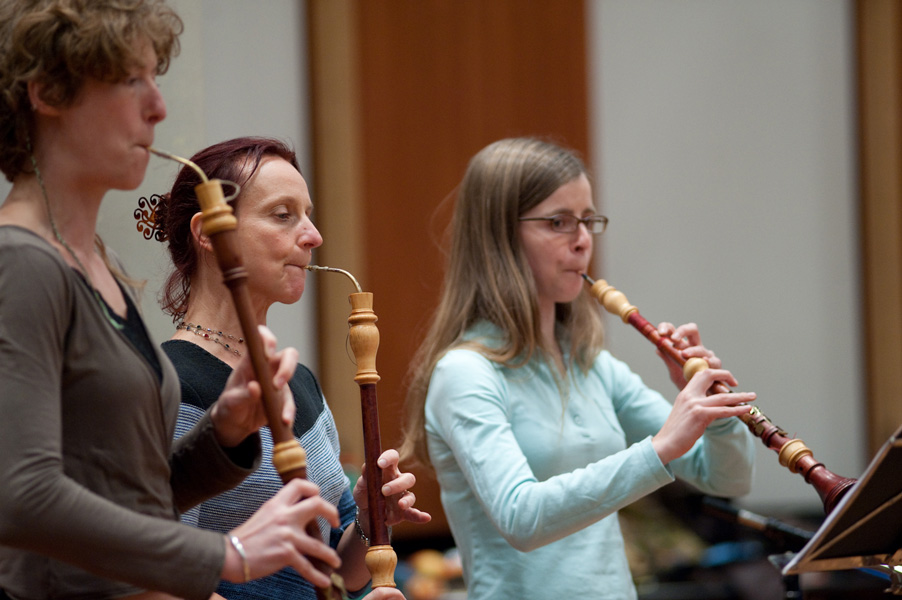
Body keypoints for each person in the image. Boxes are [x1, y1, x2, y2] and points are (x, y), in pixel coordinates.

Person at [0, 2, 349, 598]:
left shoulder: (96, 263)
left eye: (155, 80)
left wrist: (224, 434)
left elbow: (131, 497)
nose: (158, 107)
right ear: (47, 94)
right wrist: (228, 551)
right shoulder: (22, 263)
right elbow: (22, 497)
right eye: (131, 80)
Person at [400, 137, 757, 600]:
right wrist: (660, 447)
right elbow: (522, 518)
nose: (583, 240)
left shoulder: (592, 367)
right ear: (500, 237)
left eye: (588, 221)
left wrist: (714, 412)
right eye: (558, 222)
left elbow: (728, 478)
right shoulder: (465, 373)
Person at [151, 136, 431, 600]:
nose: (313, 236)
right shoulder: (170, 384)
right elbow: (165, 579)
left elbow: (336, 572)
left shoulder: (298, 381)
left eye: (308, 214)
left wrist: (367, 518)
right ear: (208, 233)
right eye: (283, 215)